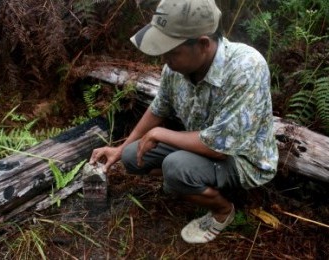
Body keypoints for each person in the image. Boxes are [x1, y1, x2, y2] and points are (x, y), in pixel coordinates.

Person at [90, 0, 278, 244]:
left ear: (202, 44)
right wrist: (120, 147)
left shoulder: (246, 67)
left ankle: (222, 211)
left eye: (171, 51)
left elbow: (219, 148)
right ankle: (188, 181)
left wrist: (161, 134)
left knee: (177, 167)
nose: (164, 60)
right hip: (201, 144)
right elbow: (158, 109)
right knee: (130, 156)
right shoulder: (176, 69)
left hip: (242, 158)